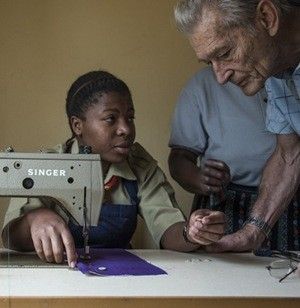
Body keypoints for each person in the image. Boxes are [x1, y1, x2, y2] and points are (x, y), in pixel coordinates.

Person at [1, 70, 226, 267]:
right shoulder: (46, 166)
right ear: (77, 125)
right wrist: (34, 219)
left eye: (130, 117)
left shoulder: (140, 166)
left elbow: (168, 230)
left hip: (118, 279)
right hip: (57, 279)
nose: (126, 129)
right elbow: (10, 237)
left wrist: (191, 233)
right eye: (111, 119)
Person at [173, 0, 300, 252]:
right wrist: (250, 234)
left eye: (224, 54)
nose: (220, 77)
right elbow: (290, 154)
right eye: (209, 63)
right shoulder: (274, 71)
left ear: (266, 17)